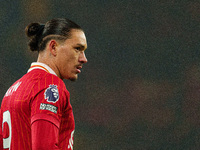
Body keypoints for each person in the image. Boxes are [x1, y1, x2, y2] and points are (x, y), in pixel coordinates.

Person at [0, 18, 88, 150]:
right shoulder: (50, 86)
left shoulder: (12, 90)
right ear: (53, 47)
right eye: (77, 49)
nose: (83, 59)